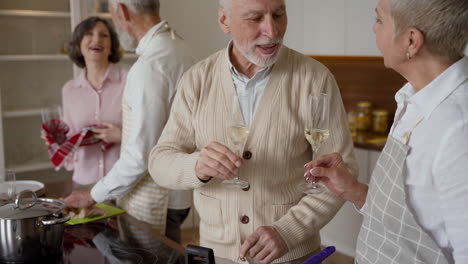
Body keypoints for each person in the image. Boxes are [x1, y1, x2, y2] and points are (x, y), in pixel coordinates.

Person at [148, 0, 358, 262]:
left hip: (292, 255)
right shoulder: (197, 79)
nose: (272, 30)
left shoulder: (314, 78)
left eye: (279, 15)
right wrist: (197, 166)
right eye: (255, 18)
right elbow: (159, 162)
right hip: (216, 255)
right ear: (225, 21)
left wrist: (288, 232)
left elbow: (342, 173)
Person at [305, 0, 468, 263]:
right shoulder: (414, 99)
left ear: (411, 41)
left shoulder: (459, 129)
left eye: (379, 19)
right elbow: (412, 225)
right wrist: (354, 190)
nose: (373, 28)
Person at [64, 0, 194, 243]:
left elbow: (140, 156)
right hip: (180, 194)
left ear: (121, 11)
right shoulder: (179, 47)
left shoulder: (148, 67)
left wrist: (93, 195)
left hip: (158, 199)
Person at [61, 16, 126, 186]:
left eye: (104, 35)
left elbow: (149, 132)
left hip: (124, 183)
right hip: (83, 183)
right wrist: (56, 141)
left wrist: (123, 136)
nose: (96, 39)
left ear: (112, 46)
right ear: (79, 44)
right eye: (89, 34)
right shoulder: (69, 90)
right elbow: (69, 139)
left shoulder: (131, 82)